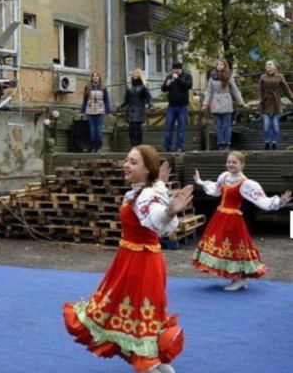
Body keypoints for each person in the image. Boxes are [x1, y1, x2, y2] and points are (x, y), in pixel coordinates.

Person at [64, 145, 193, 373]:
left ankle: (149, 363)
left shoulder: (146, 195)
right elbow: (154, 199)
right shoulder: (144, 190)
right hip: (134, 258)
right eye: (127, 159)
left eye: (133, 162)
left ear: (146, 170)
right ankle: (156, 361)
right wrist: (161, 183)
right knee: (137, 312)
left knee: (139, 311)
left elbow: (155, 217)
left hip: (140, 263)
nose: (126, 164)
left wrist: (169, 213)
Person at [192, 151, 291, 291]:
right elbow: (215, 190)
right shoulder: (224, 176)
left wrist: (279, 202)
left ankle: (240, 278)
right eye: (229, 162)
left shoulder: (246, 184)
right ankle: (236, 277)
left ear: (242, 165)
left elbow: (261, 200)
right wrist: (200, 181)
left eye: (234, 162)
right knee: (223, 246)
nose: (230, 165)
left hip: (233, 220)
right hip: (220, 216)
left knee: (234, 247)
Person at [201, 59, 248, 151]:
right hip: (215, 101)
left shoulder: (228, 76)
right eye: (217, 64)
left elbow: (235, 90)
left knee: (226, 125)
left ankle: (227, 142)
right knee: (218, 125)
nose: (219, 66)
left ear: (224, 65)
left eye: (221, 64)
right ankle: (220, 142)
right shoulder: (212, 76)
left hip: (226, 100)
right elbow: (209, 91)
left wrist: (241, 102)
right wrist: (205, 104)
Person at [257, 60, 293, 150]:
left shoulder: (280, 76)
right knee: (266, 125)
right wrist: (260, 99)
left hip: (276, 103)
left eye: (270, 64)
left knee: (275, 125)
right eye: (266, 65)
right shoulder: (263, 77)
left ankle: (274, 142)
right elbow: (259, 90)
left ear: (274, 66)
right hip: (265, 103)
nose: (268, 66)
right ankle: (266, 142)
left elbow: (286, 89)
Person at [118, 69, 155, 147]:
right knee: (131, 129)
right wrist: (120, 105)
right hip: (131, 109)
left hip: (139, 109)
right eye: (133, 74)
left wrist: (151, 105)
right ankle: (133, 145)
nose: (134, 75)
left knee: (137, 128)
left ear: (139, 75)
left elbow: (148, 97)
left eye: (136, 73)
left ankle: (138, 145)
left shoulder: (144, 86)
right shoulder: (129, 87)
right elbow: (126, 99)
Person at [161, 62, 193, 152]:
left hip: (183, 106)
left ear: (180, 69)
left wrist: (178, 79)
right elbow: (163, 89)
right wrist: (166, 84)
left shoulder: (187, 76)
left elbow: (188, 86)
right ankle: (167, 146)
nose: (174, 71)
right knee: (168, 127)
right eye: (173, 69)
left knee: (181, 128)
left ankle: (179, 147)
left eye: (176, 69)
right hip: (171, 106)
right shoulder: (169, 76)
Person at [81, 71, 112, 153]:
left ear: (99, 78)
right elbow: (85, 100)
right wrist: (82, 111)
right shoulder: (87, 87)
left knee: (98, 129)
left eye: (97, 76)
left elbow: (106, 100)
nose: (95, 77)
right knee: (92, 129)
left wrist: (108, 112)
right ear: (91, 78)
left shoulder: (103, 88)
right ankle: (92, 146)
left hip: (100, 111)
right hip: (90, 111)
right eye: (93, 76)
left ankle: (98, 146)